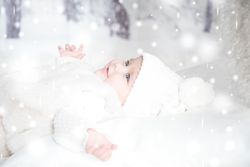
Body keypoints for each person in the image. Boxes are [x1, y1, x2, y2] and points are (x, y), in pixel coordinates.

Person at [1, 44, 214, 162]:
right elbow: (63, 81)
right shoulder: (92, 79)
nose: (117, 66)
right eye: (127, 62)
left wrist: (87, 137)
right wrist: (69, 60)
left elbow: (68, 120)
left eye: (127, 76)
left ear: (130, 104)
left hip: (7, 128)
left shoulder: (96, 101)